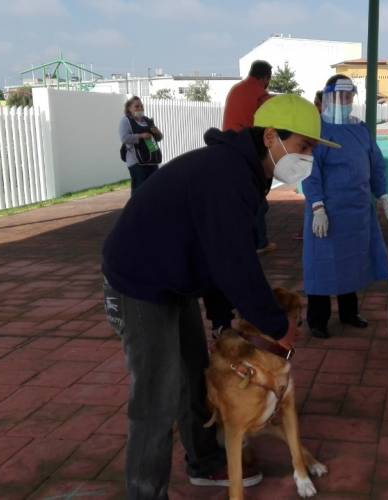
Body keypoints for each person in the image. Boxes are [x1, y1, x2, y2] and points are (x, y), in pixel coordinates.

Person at [102, 94, 339, 499]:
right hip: (139, 280)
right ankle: (145, 492)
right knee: (156, 397)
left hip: (175, 276)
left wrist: (220, 319)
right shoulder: (227, 175)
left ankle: (204, 461)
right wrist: (277, 326)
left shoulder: (248, 174)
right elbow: (234, 265)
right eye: (304, 147)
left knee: (195, 373)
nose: (308, 158)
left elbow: (219, 253)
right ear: (270, 137)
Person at [302, 75, 388, 338]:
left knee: (351, 262)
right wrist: (317, 206)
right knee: (322, 264)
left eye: (349, 97)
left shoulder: (360, 129)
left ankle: (349, 312)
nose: (346, 101)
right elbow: (310, 170)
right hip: (328, 212)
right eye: (340, 96)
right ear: (328, 97)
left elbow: (376, 162)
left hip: (357, 212)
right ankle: (318, 320)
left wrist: (383, 194)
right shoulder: (317, 130)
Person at [224, 60, 276, 256]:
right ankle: (259, 243)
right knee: (258, 199)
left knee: (238, 197)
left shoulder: (235, 89)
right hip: (249, 149)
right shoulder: (262, 95)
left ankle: (237, 239)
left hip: (228, 148)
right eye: (268, 79)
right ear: (265, 78)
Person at [120, 96, 163, 192]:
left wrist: (157, 132)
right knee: (139, 190)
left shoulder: (147, 120)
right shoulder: (125, 121)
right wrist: (141, 136)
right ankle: (136, 207)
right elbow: (124, 138)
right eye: (136, 106)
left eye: (141, 106)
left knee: (154, 188)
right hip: (136, 162)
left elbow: (159, 138)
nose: (140, 108)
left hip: (152, 159)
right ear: (129, 108)